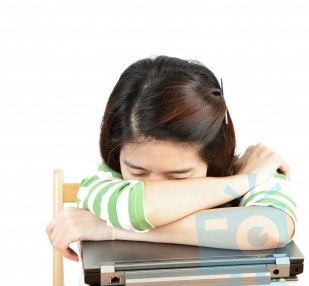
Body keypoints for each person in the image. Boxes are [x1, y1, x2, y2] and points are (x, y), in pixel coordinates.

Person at [46, 55, 296, 262]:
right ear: (116, 152)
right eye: (138, 172)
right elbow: (142, 208)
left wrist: (109, 228)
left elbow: (268, 228)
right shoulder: (103, 180)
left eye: (178, 176)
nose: (156, 187)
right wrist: (243, 181)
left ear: (213, 156)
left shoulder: (256, 171)